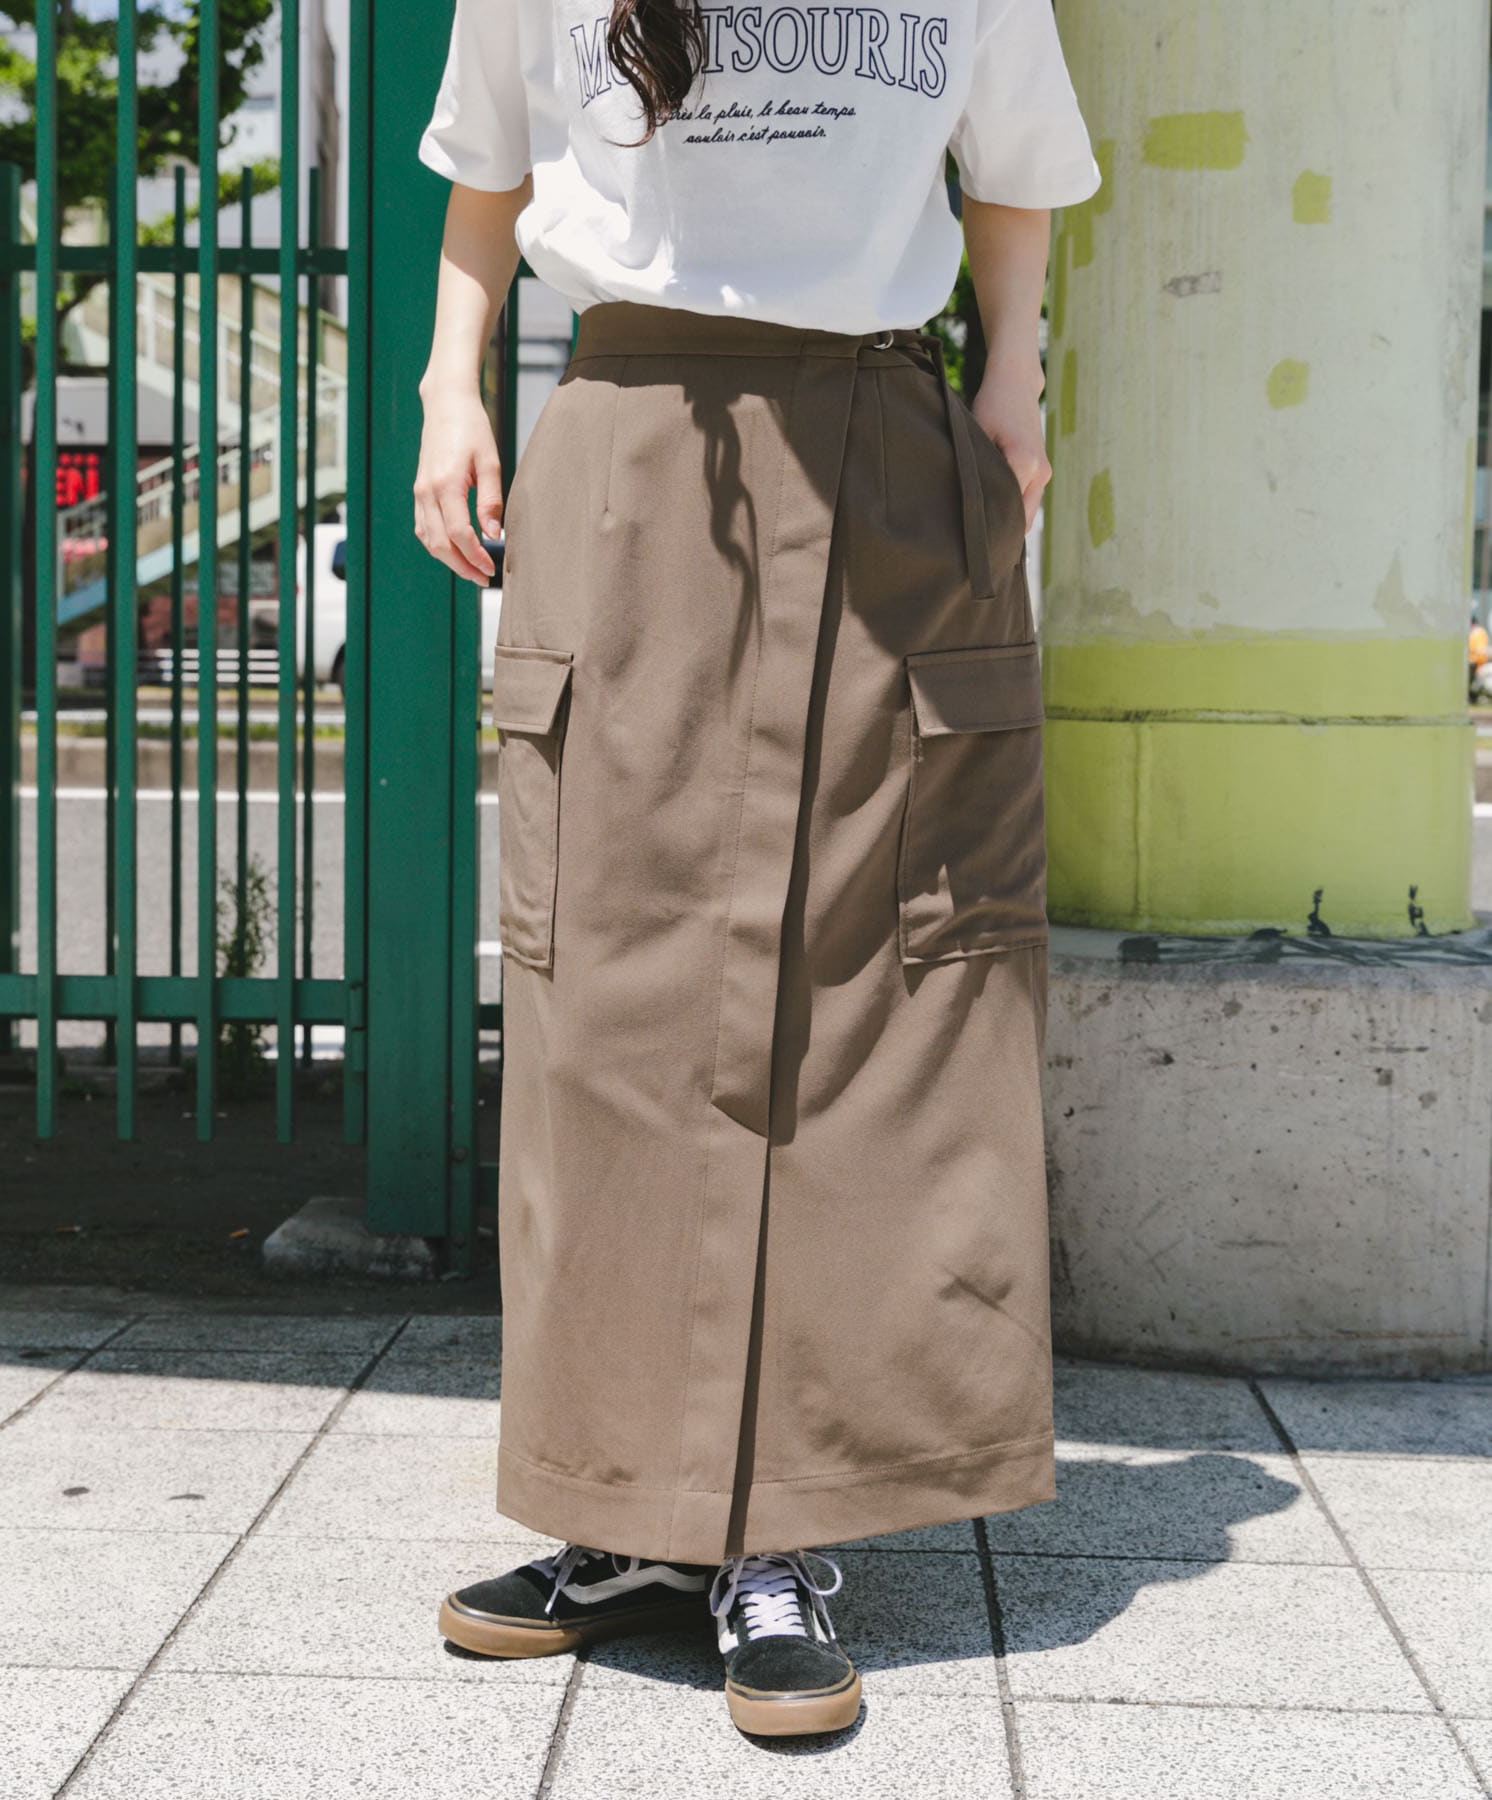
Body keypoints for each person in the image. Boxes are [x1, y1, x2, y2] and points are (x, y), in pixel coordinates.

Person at [413, 0, 1099, 1739]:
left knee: (862, 993)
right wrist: (447, 387)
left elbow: (1017, 173)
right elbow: (487, 177)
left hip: (884, 458)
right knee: (602, 997)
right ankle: (619, 1509)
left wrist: (1013, 381)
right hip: (629, 453)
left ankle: (774, 1538)